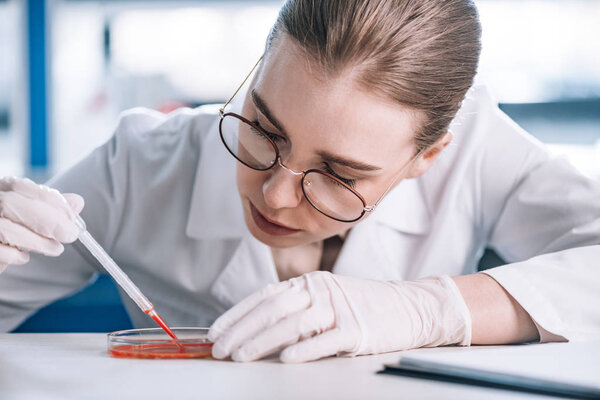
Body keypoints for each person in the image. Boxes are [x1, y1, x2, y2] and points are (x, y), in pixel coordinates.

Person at [0, 0, 599, 363]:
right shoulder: (140, 165)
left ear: (430, 154)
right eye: (264, 129)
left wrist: (426, 311)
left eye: (340, 173)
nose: (275, 195)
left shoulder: (475, 150)